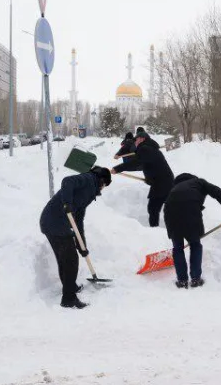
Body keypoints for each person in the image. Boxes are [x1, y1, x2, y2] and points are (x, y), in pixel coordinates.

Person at [39, 165, 112, 308]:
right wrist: (67, 203)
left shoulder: (89, 194)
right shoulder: (88, 179)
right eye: (105, 185)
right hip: (55, 222)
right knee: (71, 260)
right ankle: (68, 299)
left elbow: (78, 221)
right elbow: (67, 181)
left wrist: (81, 245)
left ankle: (70, 287)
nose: (103, 189)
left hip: (52, 222)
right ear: (101, 180)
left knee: (64, 258)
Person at [162, 173, 221, 288]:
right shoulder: (199, 182)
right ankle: (195, 279)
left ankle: (182, 280)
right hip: (191, 210)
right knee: (195, 244)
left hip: (169, 211)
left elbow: (176, 203)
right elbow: (217, 192)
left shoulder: (174, 189)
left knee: (178, 248)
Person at [113, 128, 174, 226]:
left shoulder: (145, 149)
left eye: (136, 140)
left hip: (161, 184)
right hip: (164, 181)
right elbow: (151, 165)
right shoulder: (150, 148)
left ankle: (155, 231)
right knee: (167, 207)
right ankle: (180, 224)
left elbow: (135, 163)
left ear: (141, 139)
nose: (135, 142)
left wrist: (117, 169)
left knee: (153, 208)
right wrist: (150, 179)